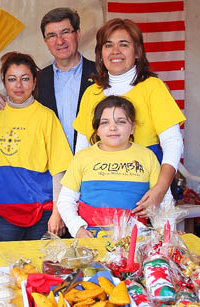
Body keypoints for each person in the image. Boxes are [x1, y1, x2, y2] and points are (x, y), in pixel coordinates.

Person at [73, 18, 185, 217]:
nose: (115, 51)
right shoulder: (92, 93)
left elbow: (173, 142)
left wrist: (159, 189)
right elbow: (82, 147)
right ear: (100, 53)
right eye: (108, 45)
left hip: (146, 188)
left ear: (137, 51)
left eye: (123, 44)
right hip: (100, 191)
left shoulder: (153, 87)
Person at [0, 52, 72, 241]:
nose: (18, 85)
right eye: (12, 79)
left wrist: (58, 213)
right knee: (8, 268)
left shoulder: (46, 116)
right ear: (4, 82)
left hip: (42, 211)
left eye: (25, 79)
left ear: (34, 82)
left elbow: (59, 170)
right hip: (4, 211)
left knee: (41, 267)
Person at [0, 7, 95, 154]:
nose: (60, 41)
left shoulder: (101, 76)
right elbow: (19, 107)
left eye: (65, 32)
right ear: (45, 41)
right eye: (52, 35)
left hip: (93, 168)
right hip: (49, 170)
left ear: (78, 34)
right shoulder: (35, 81)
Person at [58, 96, 161, 238]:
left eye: (121, 122)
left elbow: (163, 201)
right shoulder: (82, 157)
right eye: (105, 122)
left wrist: (165, 237)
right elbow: (66, 200)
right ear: (97, 130)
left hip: (135, 240)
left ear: (132, 127)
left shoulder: (147, 157)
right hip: (90, 238)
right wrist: (78, 230)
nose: (113, 128)